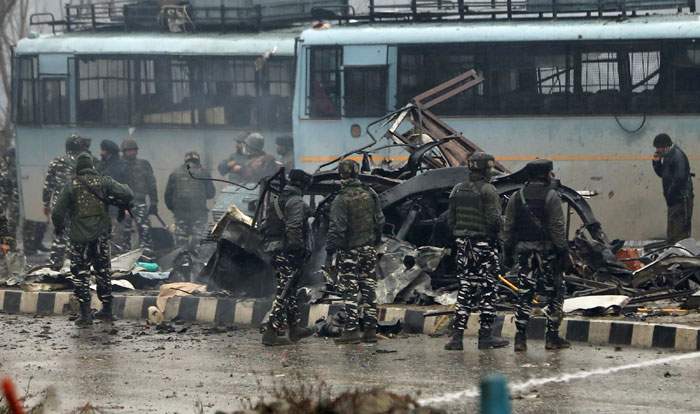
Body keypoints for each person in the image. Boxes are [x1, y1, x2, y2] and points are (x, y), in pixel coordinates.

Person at [51, 153, 133, 326]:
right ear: (92, 166)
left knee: (80, 274)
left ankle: (85, 313)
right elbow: (127, 192)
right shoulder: (104, 181)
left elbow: (57, 211)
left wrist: (59, 227)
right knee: (103, 271)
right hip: (101, 236)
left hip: (79, 239)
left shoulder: (71, 185)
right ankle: (107, 310)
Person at [503, 159, 571, 352]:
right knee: (555, 292)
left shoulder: (517, 196)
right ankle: (551, 337)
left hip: (524, 255)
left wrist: (507, 253)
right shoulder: (552, 196)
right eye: (551, 172)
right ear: (545, 174)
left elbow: (508, 228)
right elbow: (557, 228)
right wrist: (563, 252)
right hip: (547, 253)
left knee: (524, 294)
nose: (553, 176)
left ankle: (520, 339)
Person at [443, 152, 509, 351]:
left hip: (463, 246)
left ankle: (457, 338)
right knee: (488, 289)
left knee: (465, 289)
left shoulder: (457, 190)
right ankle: (485, 336)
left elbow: (450, 220)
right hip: (483, 246)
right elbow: (494, 221)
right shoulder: (488, 191)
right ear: (484, 170)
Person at [326, 159, 385, 344]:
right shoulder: (370, 194)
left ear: (341, 175)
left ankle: (351, 330)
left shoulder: (340, 199)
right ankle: (370, 330)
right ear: (357, 173)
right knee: (369, 288)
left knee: (350, 290)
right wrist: (374, 242)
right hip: (368, 248)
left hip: (349, 251)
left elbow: (337, 229)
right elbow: (380, 221)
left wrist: (330, 253)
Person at [260, 169, 315, 346]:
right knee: (284, 291)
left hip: (274, 250)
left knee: (289, 288)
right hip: (287, 251)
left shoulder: (278, 199)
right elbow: (294, 227)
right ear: (303, 185)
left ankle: (294, 328)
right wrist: (297, 251)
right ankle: (271, 332)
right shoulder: (295, 201)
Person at [43, 135, 82, 269]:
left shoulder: (56, 162)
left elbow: (48, 186)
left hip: (59, 204)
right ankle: (74, 266)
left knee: (59, 234)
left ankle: (55, 265)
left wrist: (46, 204)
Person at [164, 151, 215, 248]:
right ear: (198, 160)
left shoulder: (175, 173)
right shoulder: (204, 173)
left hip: (180, 214)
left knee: (181, 244)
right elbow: (211, 193)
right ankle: (196, 261)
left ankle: (182, 261)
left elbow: (167, 196)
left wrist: (175, 210)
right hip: (199, 214)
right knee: (198, 242)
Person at [652, 133, 694, 243]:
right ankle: (674, 257)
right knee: (672, 234)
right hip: (674, 201)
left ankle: (682, 259)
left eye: (658, 147)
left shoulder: (677, 156)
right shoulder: (668, 156)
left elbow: (680, 178)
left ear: (665, 146)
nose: (657, 150)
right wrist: (656, 163)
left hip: (681, 200)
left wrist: (670, 195)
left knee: (680, 236)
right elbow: (663, 174)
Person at [121, 138, 158, 257]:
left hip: (140, 202)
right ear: (124, 151)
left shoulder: (144, 164)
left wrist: (154, 202)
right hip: (123, 204)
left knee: (145, 230)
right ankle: (124, 256)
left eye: (133, 150)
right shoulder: (119, 165)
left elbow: (152, 184)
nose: (131, 153)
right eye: (128, 150)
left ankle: (147, 255)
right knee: (124, 233)